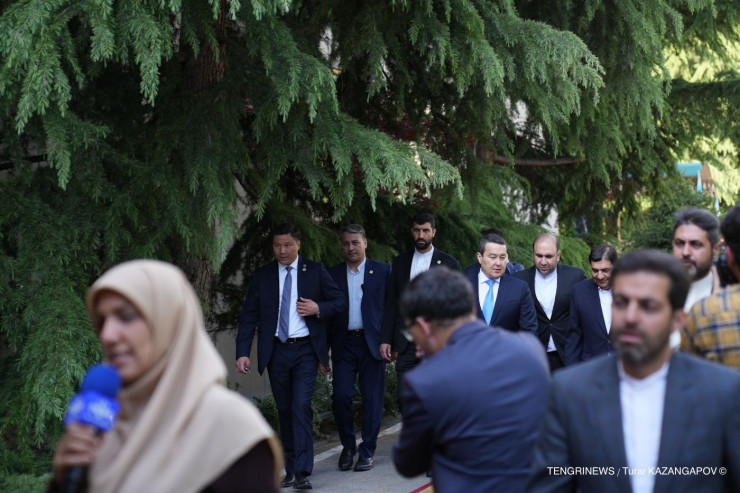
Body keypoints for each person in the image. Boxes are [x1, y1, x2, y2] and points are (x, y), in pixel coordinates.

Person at [50, 260, 281, 493]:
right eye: (102, 322)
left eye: (126, 316)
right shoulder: (103, 426)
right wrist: (62, 481)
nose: (108, 335)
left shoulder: (228, 426)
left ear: (169, 322)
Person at [528, 250, 740, 493]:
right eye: (621, 302)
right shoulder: (570, 392)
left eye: (648, 306)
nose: (630, 317)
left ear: (678, 320)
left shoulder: (722, 393)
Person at [391, 267, 549, 492]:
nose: (415, 345)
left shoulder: (425, 382)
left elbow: (408, 463)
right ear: (471, 308)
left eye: (410, 333)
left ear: (424, 326)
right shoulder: (529, 347)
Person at [235, 223, 345, 490]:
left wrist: (319, 307)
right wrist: (242, 353)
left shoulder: (314, 270)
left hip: (305, 349)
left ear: (298, 245)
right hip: (276, 351)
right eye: (277, 245)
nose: (282, 251)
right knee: (284, 409)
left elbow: (339, 302)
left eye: (287, 245)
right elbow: (249, 316)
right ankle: (291, 468)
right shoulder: (263, 276)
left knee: (300, 406)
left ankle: (303, 471)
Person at [327, 224, 391, 472]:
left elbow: (392, 310)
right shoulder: (332, 274)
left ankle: (367, 451)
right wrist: (322, 352)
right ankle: (348, 446)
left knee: (372, 399)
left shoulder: (383, 271)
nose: (350, 248)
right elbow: (327, 315)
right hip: (344, 344)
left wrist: (389, 341)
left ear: (365, 243)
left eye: (355, 242)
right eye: (346, 243)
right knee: (341, 396)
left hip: (372, 344)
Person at [379, 212, 460, 404]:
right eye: (417, 230)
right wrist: (385, 339)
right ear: (411, 231)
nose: (421, 235)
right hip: (406, 341)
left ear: (434, 232)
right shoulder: (400, 262)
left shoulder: (449, 264)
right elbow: (392, 302)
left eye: (425, 231)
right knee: (404, 397)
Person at [514, 233, 586, 371]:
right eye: (539, 255)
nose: (543, 261)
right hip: (534, 356)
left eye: (548, 256)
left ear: (558, 255)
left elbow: (584, 315)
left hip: (568, 355)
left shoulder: (575, 277)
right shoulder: (519, 280)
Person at [683, 204, 740, 368]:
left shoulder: (704, 312)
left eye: (695, 244)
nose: (686, 252)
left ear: (727, 255)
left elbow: (685, 370)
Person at [462, 233, 537, 333]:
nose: (498, 263)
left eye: (502, 257)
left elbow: (529, 331)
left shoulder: (519, 288)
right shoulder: (462, 285)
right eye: (492, 257)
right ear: (480, 257)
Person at [671, 206, 720, 348]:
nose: (686, 252)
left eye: (695, 244)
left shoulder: (728, 295)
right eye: (680, 243)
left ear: (715, 250)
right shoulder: (656, 289)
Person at [564, 244, 618, 365]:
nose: (600, 276)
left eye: (605, 270)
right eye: (595, 270)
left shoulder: (629, 290)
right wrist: (572, 371)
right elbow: (574, 336)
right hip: (590, 366)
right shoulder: (579, 291)